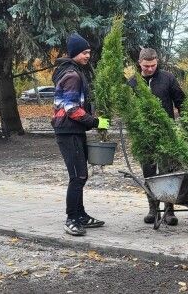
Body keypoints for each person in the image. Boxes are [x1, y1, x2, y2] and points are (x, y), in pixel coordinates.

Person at [52, 32, 109, 236]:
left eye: (89, 52)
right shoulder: (72, 76)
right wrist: (95, 121)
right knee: (77, 176)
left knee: (80, 175)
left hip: (73, 130)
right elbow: (71, 109)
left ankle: (81, 215)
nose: (88, 56)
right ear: (75, 53)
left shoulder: (72, 71)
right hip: (68, 131)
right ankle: (72, 219)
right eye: (84, 52)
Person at [127, 47, 185, 226]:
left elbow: (181, 102)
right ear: (140, 63)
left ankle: (169, 211)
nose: (150, 68)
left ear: (157, 62)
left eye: (153, 65)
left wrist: (186, 124)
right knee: (149, 173)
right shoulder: (133, 82)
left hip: (166, 133)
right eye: (146, 66)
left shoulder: (168, 78)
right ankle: (153, 209)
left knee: (168, 172)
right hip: (144, 136)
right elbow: (128, 108)